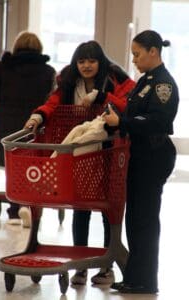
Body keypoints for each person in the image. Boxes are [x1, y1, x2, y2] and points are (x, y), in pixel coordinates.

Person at [24, 40, 135, 284]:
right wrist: (37, 116)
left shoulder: (115, 78)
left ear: (100, 62)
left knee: (109, 207)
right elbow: (53, 103)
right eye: (81, 61)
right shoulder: (68, 81)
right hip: (77, 149)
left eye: (92, 61)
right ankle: (82, 266)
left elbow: (129, 104)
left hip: (108, 150)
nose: (86, 66)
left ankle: (106, 266)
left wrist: (103, 96)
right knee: (80, 206)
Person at [103, 30, 179, 294]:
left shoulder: (162, 84)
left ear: (153, 52)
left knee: (145, 220)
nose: (133, 59)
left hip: (154, 155)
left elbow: (158, 121)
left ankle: (146, 281)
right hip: (140, 155)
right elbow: (132, 110)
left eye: (137, 54)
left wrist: (121, 122)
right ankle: (135, 277)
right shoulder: (145, 81)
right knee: (135, 219)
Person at [0, 31, 56, 226]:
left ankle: (15, 209)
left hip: (7, 130)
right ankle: (29, 206)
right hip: (35, 129)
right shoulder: (48, 71)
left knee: (13, 167)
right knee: (32, 168)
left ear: (16, 48)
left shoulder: (4, 68)